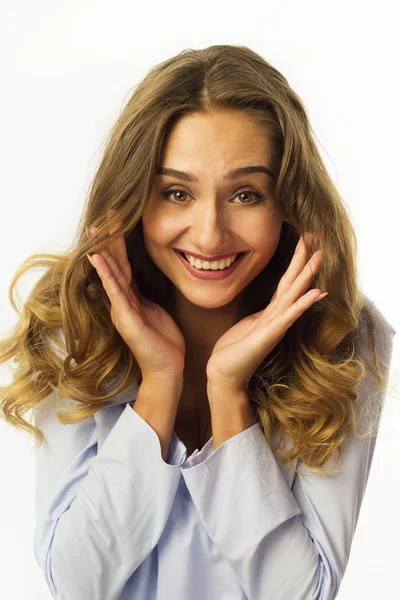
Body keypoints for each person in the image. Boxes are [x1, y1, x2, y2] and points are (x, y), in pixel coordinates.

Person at [0, 44, 396, 600]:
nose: (210, 234)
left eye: (245, 194)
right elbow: (77, 584)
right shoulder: (75, 321)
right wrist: (159, 385)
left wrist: (228, 393)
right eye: (176, 193)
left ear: (288, 203)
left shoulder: (341, 336)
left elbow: (303, 594)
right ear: (135, 198)